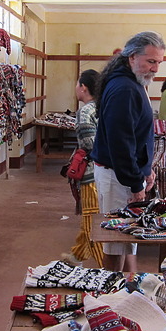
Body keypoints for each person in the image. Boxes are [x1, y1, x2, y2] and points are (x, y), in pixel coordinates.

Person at [90, 31, 165, 272]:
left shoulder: (134, 81)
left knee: (126, 241)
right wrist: (135, 184)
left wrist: (145, 169)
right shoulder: (124, 88)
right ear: (132, 57)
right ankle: (110, 296)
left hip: (122, 174)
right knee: (115, 242)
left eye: (159, 63)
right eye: (151, 61)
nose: (155, 69)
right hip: (116, 177)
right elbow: (121, 144)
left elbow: (137, 135)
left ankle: (124, 289)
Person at [61, 69, 104, 267]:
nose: (76, 88)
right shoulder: (103, 107)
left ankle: (107, 266)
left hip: (92, 173)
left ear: (83, 87)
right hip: (103, 173)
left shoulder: (86, 111)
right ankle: (78, 254)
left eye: (77, 83)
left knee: (91, 219)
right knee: (94, 216)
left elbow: (91, 144)